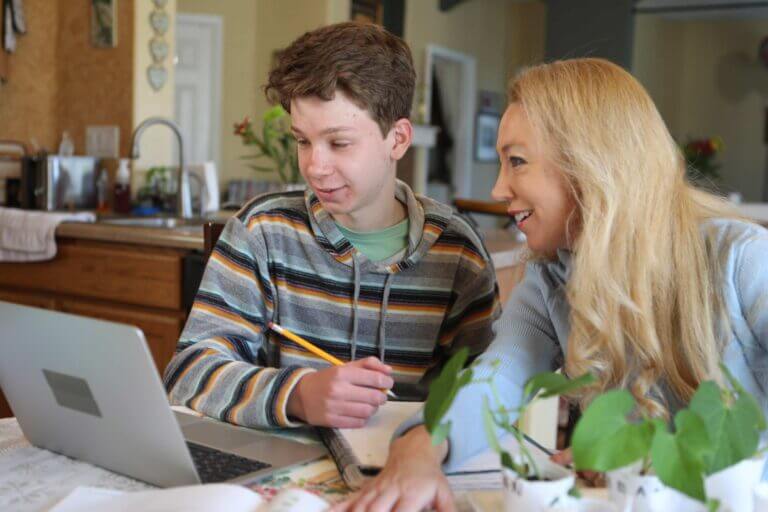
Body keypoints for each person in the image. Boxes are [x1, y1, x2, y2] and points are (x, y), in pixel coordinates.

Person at [334, 57, 768, 512]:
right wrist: (420, 448)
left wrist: (661, 464)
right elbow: (496, 379)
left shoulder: (742, 258)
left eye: (517, 162)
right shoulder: (551, 275)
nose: (499, 188)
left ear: (591, 164)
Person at [162, 22, 500, 430]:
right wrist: (299, 395)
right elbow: (187, 374)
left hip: (400, 475)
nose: (314, 168)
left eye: (339, 143)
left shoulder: (457, 254)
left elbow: (490, 396)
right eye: (303, 141)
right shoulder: (263, 231)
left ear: (397, 139)